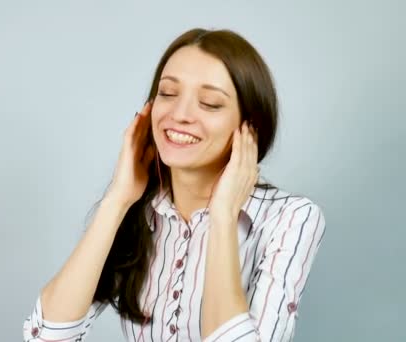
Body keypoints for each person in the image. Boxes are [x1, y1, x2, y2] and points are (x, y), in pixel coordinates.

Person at [22, 27, 326, 342]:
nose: (180, 114)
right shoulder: (137, 210)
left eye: (209, 103)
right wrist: (117, 199)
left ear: (250, 127)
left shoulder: (292, 218)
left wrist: (222, 215)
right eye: (168, 93)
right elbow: (45, 338)